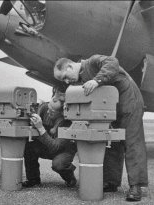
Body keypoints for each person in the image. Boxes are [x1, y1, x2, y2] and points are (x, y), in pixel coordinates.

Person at [53, 54, 148, 202]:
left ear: (70, 66)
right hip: (111, 107)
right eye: (63, 80)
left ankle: (136, 186)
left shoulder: (93, 61)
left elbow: (113, 62)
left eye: (65, 76)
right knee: (109, 140)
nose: (66, 81)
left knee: (133, 142)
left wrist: (97, 80)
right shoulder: (82, 78)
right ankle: (111, 182)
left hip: (130, 102)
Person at [22, 95, 77, 188]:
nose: (48, 112)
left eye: (52, 112)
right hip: (48, 144)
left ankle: (70, 178)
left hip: (63, 150)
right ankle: (33, 178)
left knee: (59, 164)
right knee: (29, 147)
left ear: (62, 113)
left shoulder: (67, 123)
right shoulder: (45, 108)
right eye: (48, 109)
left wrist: (40, 127)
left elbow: (55, 148)